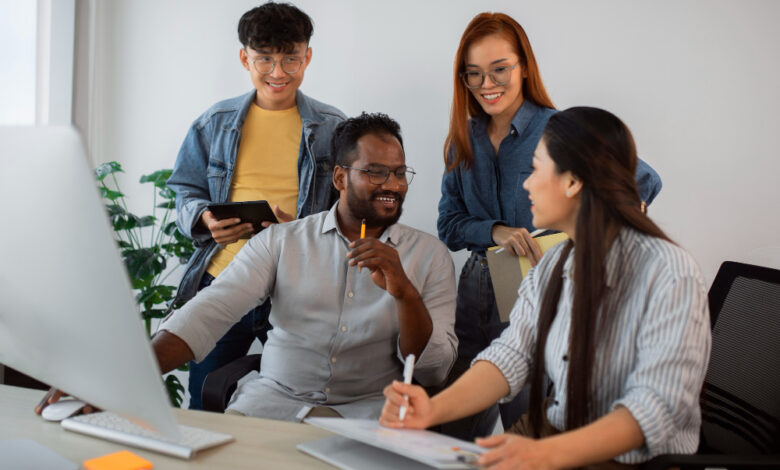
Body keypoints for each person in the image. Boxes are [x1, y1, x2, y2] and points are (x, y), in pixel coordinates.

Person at [381, 107, 711, 469]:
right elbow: (512, 354)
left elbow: (655, 408)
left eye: (536, 169)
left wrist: (544, 454)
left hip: (631, 461)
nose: (527, 184)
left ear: (572, 182)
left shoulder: (669, 272)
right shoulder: (553, 264)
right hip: (556, 435)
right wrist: (431, 410)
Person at [436, 12, 663, 438]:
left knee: (526, 425)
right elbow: (448, 225)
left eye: (500, 69)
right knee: (452, 428)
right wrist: (496, 231)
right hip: (475, 288)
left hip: (534, 281)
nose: (487, 84)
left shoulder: (557, 130)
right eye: (474, 73)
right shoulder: (462, 138)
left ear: (524, 67)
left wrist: (588, 238)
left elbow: (644, 181)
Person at [152, 113, 457, 420]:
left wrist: (405, 294)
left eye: (399, 173)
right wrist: (138, 371)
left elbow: (435, 370)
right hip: (272, 405)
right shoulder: (281, 241)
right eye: (376, 173)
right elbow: (210, 310)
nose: (393, 185)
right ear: (340, 178)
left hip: (368, 416)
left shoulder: (430, 256)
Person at [166, 2, 345, 410]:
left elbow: (351, 209)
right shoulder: (214, 122)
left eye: (290, 59)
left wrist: (303, 228)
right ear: (245, 58)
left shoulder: (334, 128)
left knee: (302, 402)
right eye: (265, 59)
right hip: (223, 280)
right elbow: (184, 189)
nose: (278, 72)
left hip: (297, 286)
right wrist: (204, 218)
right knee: (205, 402)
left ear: (307, 57)